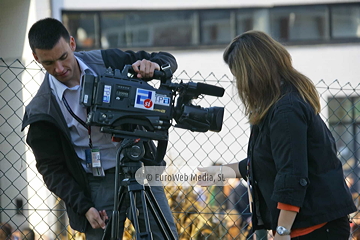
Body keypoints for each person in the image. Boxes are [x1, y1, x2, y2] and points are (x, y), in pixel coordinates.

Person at [21, 17, 178, 240]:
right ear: (36, 58)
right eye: (48, 63)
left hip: (139, 167)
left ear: (72, 44)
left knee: (163, 235)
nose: (59, 68)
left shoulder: (107, 61)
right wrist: (84, 206)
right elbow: (51, 169)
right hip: (95, 182)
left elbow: (166, 59)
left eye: (63, 57)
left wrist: (154, 66)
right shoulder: (40, 111)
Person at [198, 30, 357, 240]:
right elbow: (264, 161)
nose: (239, 85)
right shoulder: (277, 107)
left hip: (317, 227)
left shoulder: (286, 110)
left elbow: (292, 173)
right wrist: (214, 172)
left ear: (252, 73)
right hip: (310, 225)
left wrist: (282, 231)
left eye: (238, 76)